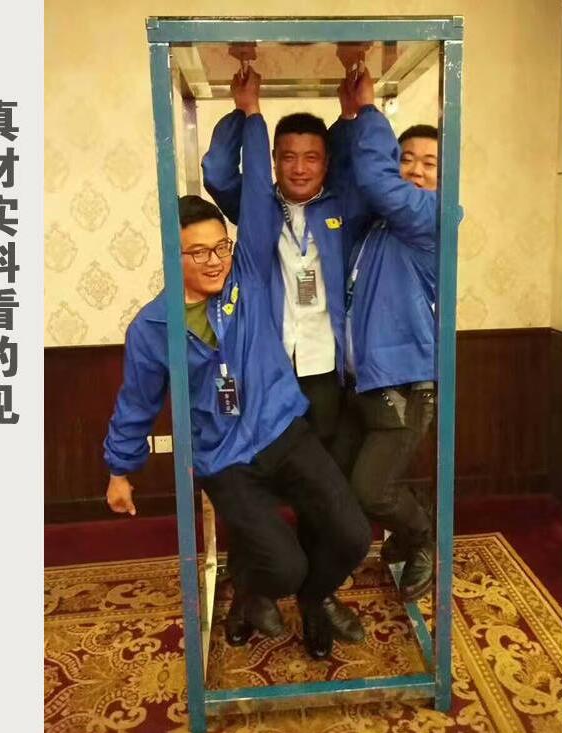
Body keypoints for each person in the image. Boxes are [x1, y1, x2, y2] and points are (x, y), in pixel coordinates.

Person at [104, 189, 371, 660]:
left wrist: (249, 129)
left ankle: (314, 599)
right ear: (172, 254)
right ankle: (250, 592)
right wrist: (119, 470)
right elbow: (136, 402)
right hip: (223, 458)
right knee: (283, 566)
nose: (215, 261)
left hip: (282, 431)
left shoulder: (247, 278)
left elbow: (256, 192)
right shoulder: (151, 328)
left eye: (220, 247)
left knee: (353, 535)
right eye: (198, 252)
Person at [202, 68, 366, 644]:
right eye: (288, 156)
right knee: (251, 491)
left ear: (325, 162)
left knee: (324, 492)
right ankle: (255, 590)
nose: (299, 167)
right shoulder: (256, 209)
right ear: (273, 161)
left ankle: (317, 598)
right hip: (264, 376)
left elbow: (367, 170)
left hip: (323, 374)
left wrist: (353, 117)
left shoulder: (344, 207)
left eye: (311, 157)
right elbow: (217, 172)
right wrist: (245, 112)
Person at [327, 67, 439, 603]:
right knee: (347, 484)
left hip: (405, 385)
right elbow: (351, 180)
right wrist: (350, 120)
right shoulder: (376, 227)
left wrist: (370, 108)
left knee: (371, 491)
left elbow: (376, 181)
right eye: (406, 159)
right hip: (360, 383)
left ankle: (422, 536)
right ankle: (410, 516)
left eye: (429, 163)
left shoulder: (432, 217)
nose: (414, 170)